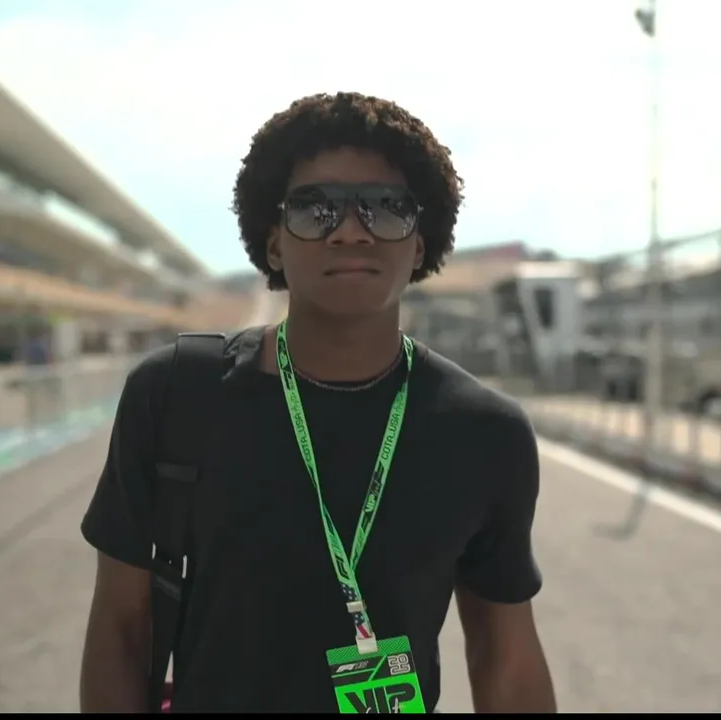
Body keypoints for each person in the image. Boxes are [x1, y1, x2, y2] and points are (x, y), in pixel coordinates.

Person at [79, 92, 556, 714]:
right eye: (315, 208)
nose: (352, 230)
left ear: (419, 243)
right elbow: (121, 628)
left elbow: (505, 659)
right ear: (274, 242)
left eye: (386, 208)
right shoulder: (175, 394)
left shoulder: (485, 433)